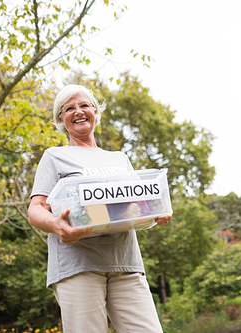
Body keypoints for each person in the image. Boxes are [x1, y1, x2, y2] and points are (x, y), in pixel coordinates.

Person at [27, 84, 171, 333]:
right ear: (61, 118)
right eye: (69, 108)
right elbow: (36, 208)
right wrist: (55, 224)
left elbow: (141, 203)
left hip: (125, 264)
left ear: (95, 111)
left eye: (84, 105)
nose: (78, 111)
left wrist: (159, 209)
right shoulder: (54, 156)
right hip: (78, 265)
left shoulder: (119, 159)